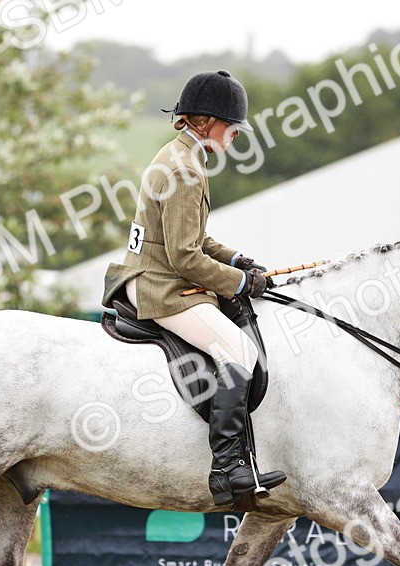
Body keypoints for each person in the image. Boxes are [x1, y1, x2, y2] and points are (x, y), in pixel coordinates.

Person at [102, 69, 286, 506]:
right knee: (239, 351)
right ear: (205, 122)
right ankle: (227, 467)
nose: (236, 136)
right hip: (160, 286)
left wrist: (236, 260)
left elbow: (192, 239)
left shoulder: (179, 157)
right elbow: (184, 257)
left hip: (158, 272)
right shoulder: (184, 170)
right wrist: (240, 283)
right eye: (232, 127)